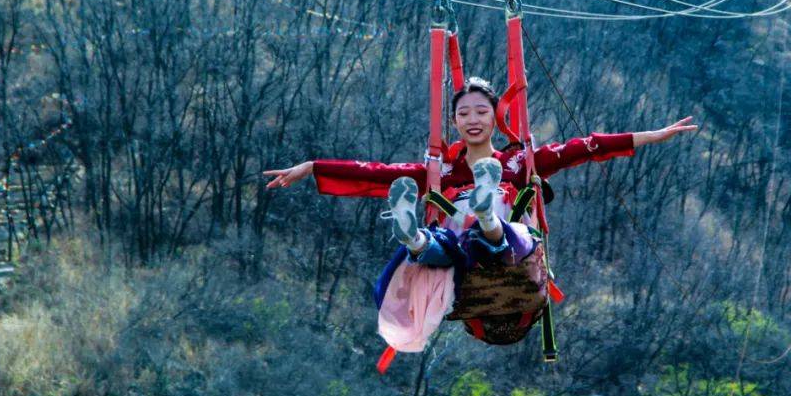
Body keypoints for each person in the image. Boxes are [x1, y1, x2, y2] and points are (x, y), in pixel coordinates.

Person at [264, 77, 697, 354]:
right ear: (454, 122)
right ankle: (422, 234)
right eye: (464, 114)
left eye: (481, 112)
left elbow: (586, 147)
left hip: (495, 230)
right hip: (475, 235)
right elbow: (374, 172)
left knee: (483, 242)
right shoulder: (442, 171)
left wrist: (650, 137)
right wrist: (313, 167)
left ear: (494, 118)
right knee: (462, 245)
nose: (473, 120)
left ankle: (468, 222)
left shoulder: (518, 163)